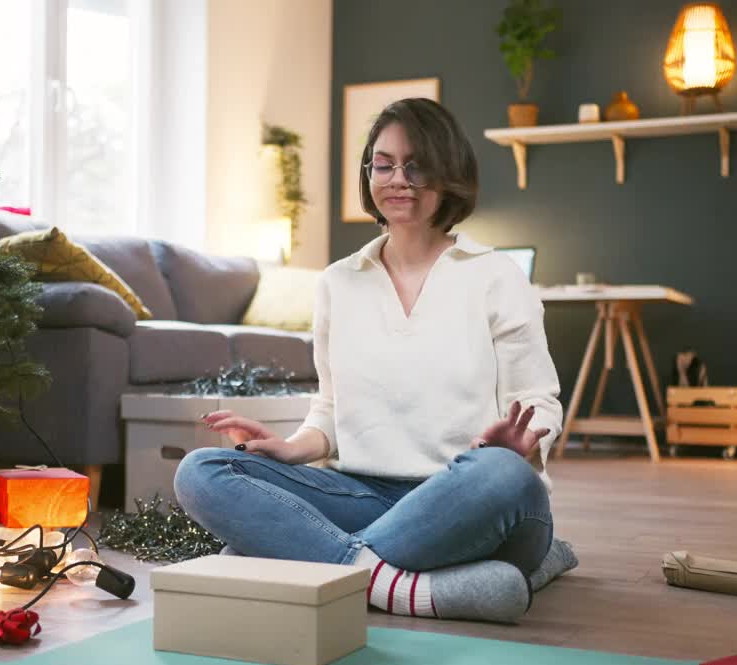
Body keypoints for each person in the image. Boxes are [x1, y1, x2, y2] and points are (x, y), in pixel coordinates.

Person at [174, 98, 576, 623]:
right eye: (383, 164)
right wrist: (292, 448)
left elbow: (539, 402)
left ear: (448, 172)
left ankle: (311, 564)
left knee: (502, 475)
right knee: (201, 471)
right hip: (366, 494)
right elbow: (331, 408)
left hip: (470, 498)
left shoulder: (495, 276)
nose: (397, 179)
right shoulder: (339, 282)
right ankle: (412, 587)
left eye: (416, 165)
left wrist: (523, 445)